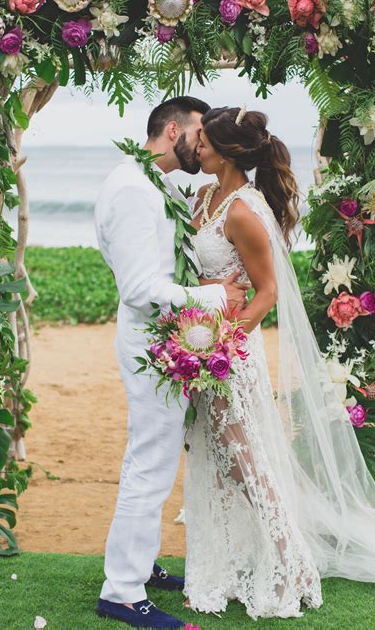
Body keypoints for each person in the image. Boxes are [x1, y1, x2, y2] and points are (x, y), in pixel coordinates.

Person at [182, 106, 375, 621]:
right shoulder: (203, 198)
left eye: (203, 140)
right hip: (199, 350)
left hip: (227, 358)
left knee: (248, 464)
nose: (195, 146)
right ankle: (226, 566)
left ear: (225, 150)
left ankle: (293, 566)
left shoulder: (243, 210)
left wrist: (219, 348)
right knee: (217, 463)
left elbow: (264, 294)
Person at [94, 97, 249, 629]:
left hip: (157, 343)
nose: (204, 145)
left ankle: (140, 564)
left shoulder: (142, 181)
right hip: (149, 348)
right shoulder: (136, 190)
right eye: (200, 133)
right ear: (171, 129)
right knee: (151, 464)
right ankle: (121, 590)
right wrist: (213, 297)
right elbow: (139, 287)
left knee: (152, 458)